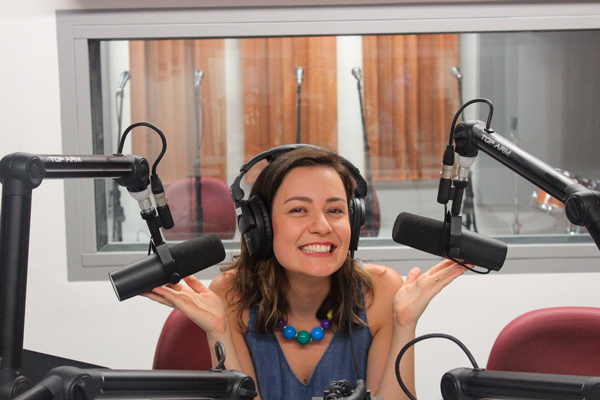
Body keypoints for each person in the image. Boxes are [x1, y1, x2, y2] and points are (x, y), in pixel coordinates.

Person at [143, 145, 464, 400]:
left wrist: (405, 326)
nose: (322, 226)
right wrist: (219, 331)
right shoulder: (230, 293)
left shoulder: (379, 291)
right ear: (261, 226)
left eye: (335, 210)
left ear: (353, 222)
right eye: (298, 209)